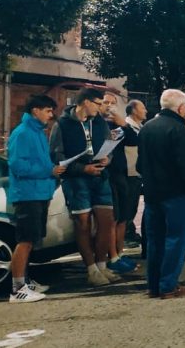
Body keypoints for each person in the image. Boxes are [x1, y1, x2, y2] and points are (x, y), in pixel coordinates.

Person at [49, 87, 118, 286]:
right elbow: (57, 156)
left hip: (100, 176)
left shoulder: (99, 122)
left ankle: (102, 265)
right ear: (86, 102)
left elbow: (109, 144)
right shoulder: (62, 124)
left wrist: (108, 158)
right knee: (83, 223)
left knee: (106, 220)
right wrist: (82, 168)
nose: (101, 107)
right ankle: (91, 269)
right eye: (98, 103)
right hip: (76, 179)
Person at [137, 89, 185, 299]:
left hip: (152, 193)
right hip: (177, 193)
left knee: (155, 240)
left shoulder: (147, 128)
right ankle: (168, 285)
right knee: (176, 239)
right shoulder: (179, 130)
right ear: (180, 108)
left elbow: (140, 164)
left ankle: (153, 285)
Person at [7, 95, 66, 303]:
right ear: (35, 111)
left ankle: (25, 281)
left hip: (39, 192)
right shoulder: (23, 133)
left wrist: (52, 171)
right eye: (48, 110)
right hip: (27, 194)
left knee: (32, 240)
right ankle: (17, 289)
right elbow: (18, 166)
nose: (51, 115)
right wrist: (49, 171)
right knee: (25, 240)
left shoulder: (37, 132)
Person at [101, 93, 138, 275]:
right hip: (106, 175)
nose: (109, 106)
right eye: (106, 102)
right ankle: (112, 256)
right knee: (112, 218)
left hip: (121, 173)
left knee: (123, 216)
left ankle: (120, 253)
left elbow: (134, 140)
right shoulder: (97, 124)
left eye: (113, 103)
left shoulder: (118, 124)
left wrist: (123, 124)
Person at [122, 100, 146, 247]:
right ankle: (126, 235)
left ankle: (130, 231)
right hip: (129, 171)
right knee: (128, 204)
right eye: (142, 108)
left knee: (133, 204)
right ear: (134, 111)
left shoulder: (140, 127)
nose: (145, 111)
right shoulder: (126, 126)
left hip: (136, 172)